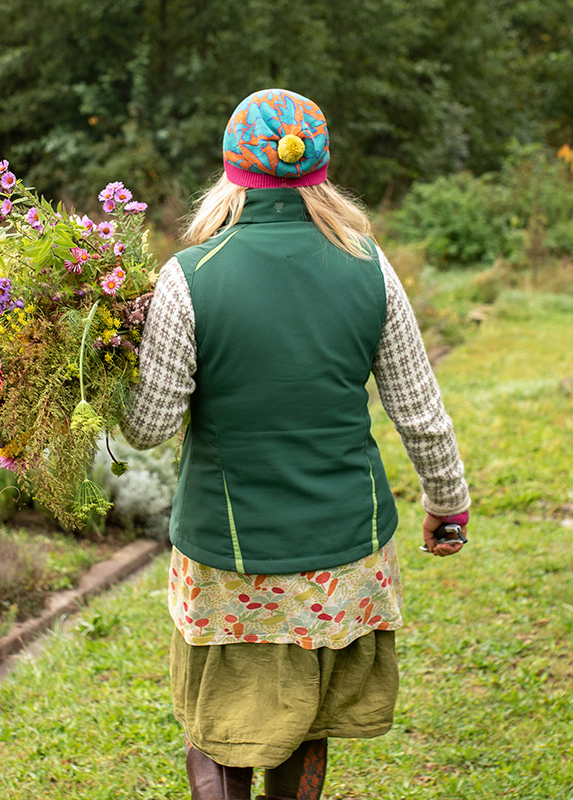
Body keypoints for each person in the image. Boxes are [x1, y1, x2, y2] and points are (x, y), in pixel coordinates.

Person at [120, 88, 470, 800]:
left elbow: (149, 428)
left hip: (228, 556)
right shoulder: (369, 267)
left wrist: (110, 363)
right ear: (320, 170)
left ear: (231, 171)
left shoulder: (188, 279)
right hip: (342, 551)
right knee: (305, 721)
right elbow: (420, 410)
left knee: (217, 725)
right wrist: (448, 504)